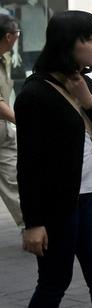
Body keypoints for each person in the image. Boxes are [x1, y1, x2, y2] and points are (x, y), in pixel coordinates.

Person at [16, 11, 92, 307]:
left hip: (90, 198)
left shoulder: (86, 85)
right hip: (56, 208)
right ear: (65, 45)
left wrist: (88, 100)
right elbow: (28, 165)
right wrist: (33, 223)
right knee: (54, 282)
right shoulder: (35, 94)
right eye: (87, 38)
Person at [0, 14, 22, 228]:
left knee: (16, 178)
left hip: (4, 133)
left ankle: (32, 224)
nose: (17, 38)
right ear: (8, 36)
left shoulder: (4, 59)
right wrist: (21, 120)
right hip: (5, 128)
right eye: (17, 34)